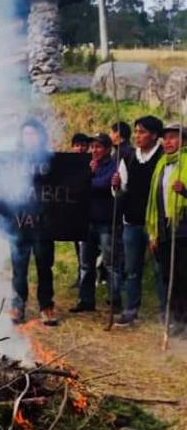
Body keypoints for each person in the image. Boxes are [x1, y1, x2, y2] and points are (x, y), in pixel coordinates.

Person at [111, 116, 165, 327]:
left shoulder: (162, 158)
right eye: (136, 132)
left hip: (155, 224)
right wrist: (116, 186)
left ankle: (164, 313)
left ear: (154, 135)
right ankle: (131, 309)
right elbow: (120, 192)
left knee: (160, 270)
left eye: (142, 132)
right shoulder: (129, 158)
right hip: (131, 222)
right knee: (132, 270)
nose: (137, 136)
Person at [10, 119, 58, 326]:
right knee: (19, 267)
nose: (29, 138)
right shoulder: (12, 160)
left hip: (44, 223)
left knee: (44, 266)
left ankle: (46, 306)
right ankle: (18, 305)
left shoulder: (52, 160)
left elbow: (65, 186)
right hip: (19, 222)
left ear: (40, 136)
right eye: (25, 134)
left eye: (33, 134)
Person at [71, 133, 123, 313]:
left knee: (110, 264)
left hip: (106, 222)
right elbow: (76, 186)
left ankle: (113, 300)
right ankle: (86, 300)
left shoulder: (114, 166)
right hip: (86, 221)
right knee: (86, 264)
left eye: (99, 147)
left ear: (108, 149)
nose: (95, 150)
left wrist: (89, 180)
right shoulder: (87, 164)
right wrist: (89, 175)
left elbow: (104, 185)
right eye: (93, 147)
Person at [146, 123, 187, 335]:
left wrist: (185, 191)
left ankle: (185, 323)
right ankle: (177, 321)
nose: (168, 142)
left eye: (173, 137)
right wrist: (154, 233)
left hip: (184, 232)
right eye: (166, 138)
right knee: (169, 278)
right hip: (164, 231)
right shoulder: (161, 165)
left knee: (184, 277)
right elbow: (155, 202)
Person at [69, 133, 90, 289]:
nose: (80, 148)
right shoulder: (66, 163)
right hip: (73, 211)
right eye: (77, 145)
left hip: (89, 210)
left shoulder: (92, 162)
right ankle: (80, 276)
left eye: (83, 145)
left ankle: (90, 277)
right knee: (78, 247)